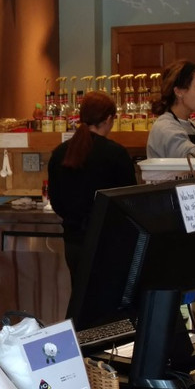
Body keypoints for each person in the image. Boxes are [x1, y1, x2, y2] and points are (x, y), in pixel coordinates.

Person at [47, 91, 137, 292]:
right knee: (106, 300)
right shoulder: (116, 154)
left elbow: (56, 202)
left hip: (74, 242)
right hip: (108, 243)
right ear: (108, 119)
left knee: (81, 297)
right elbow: (129, 203)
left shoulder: (60, 153)